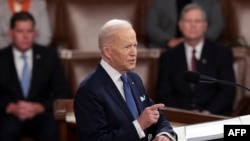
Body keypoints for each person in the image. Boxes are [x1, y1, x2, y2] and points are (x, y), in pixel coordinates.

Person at [74, 19, 177, 141]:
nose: (134, 53)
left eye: (135, 45)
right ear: (108, 51)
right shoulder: (89, 90)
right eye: (127, 46)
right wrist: (138, 126)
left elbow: (155, 114)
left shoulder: (134, 79)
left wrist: (164, 134)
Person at [156, 3, 236, 116]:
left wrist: (206, 113)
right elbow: (164, 93)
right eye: (188, 21)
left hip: (213, 117)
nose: (192, 25)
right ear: (180, 25)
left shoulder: (222, 53)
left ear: (205, 25)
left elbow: (227, 91)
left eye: (197, 21)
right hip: (179, 119)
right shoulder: (169, 56)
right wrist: (184, 115)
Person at [0, 12, 70, 141]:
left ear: (35, 33)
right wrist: (9, 107)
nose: (25, 36)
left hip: (41, 114)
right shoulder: (1, 58)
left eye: (29, 31)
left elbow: (62, 91)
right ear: (11, 34)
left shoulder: (50, 56)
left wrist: (40, 107)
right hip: (9, 115)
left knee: (50, 130)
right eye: (20, 31)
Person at [146, 0, 224, 49]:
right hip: (167, 47)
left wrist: (198, 41)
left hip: (202, 46)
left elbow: (217, 25)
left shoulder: (210, 1)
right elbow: (151, 27)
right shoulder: (159, 2)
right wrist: (169, 41)